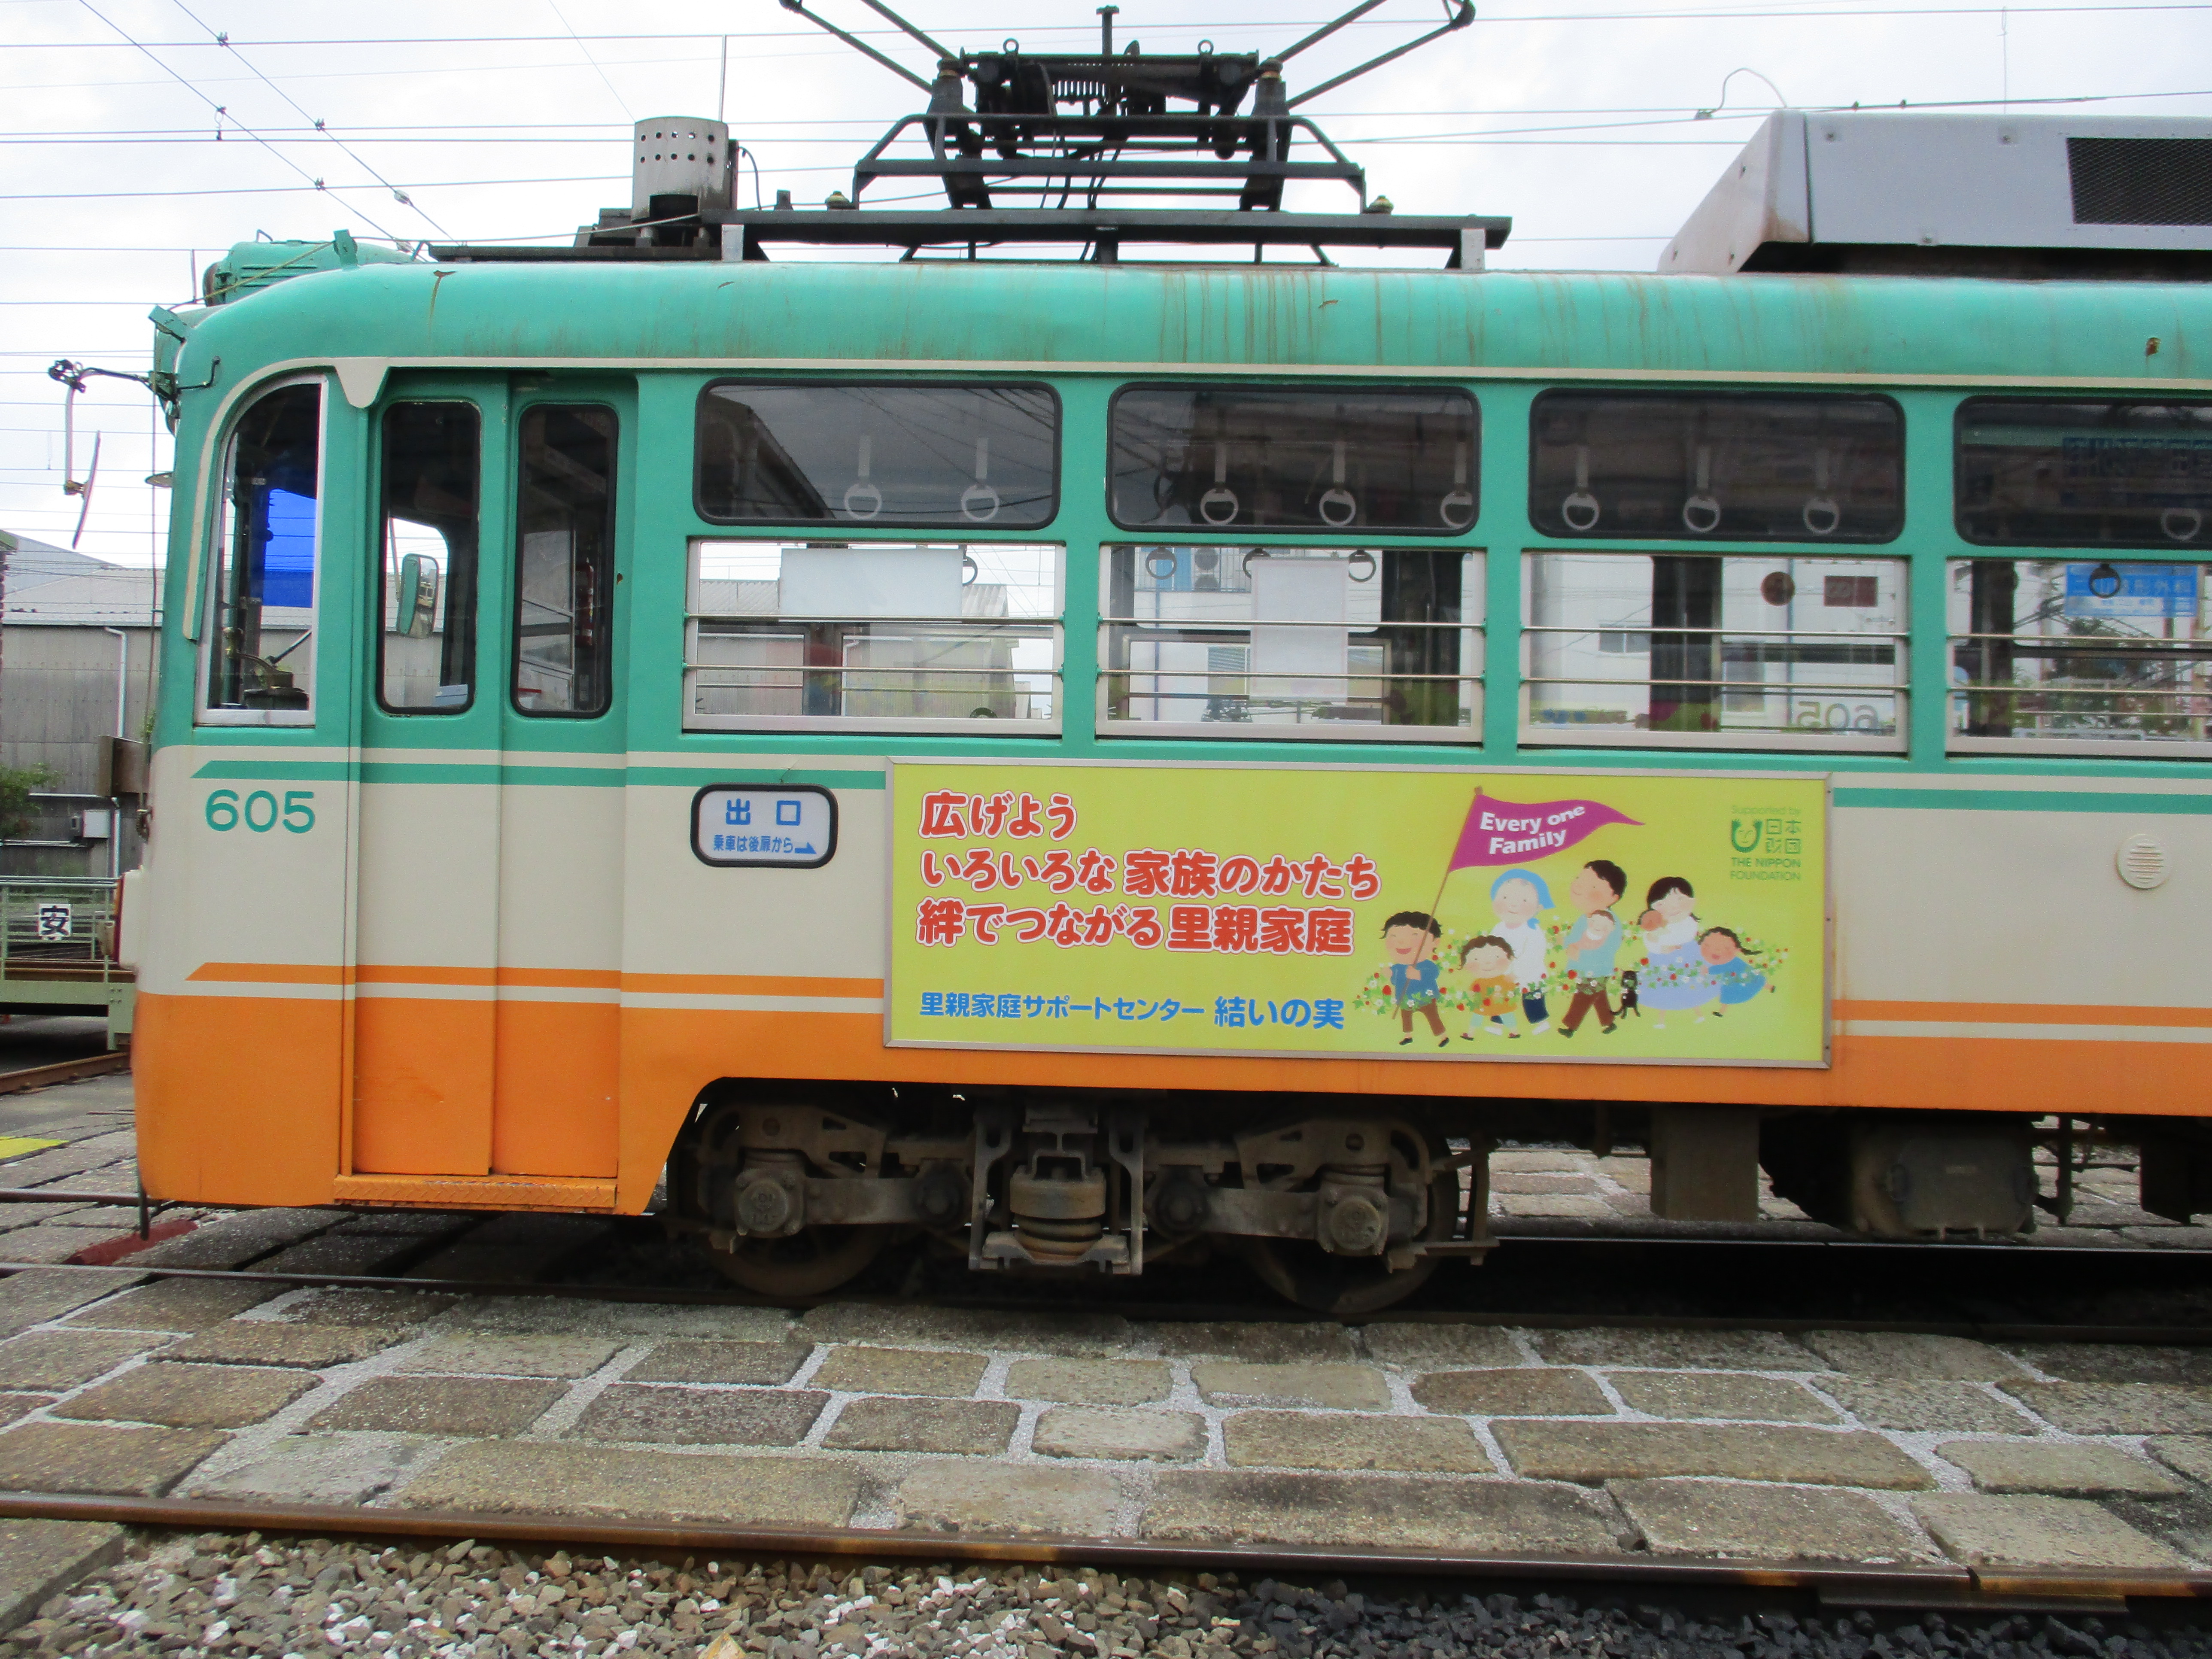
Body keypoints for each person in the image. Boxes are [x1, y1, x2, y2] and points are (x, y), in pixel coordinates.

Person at [1488, 869, 1556, 1036]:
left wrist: (1517, 973)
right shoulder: (1498, 928)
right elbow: (1491, 948)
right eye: (1505, 897)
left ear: (1539, 907)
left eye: (1524, 900)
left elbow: (1533, 956)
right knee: (1501, 997)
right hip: (1504, 974)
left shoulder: (1533, 931)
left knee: (1533, 998)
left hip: (1530, 974)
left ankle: (1540, 1022)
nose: (1513, 905)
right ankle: (1497, 1024)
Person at [1635, 875, 1708, 1029]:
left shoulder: (1689, 923)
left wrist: (1667, 942)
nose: (1673, 908)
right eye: (1662, 904)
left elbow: (1686, 936)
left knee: (1690, 988)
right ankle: (1661, 1020)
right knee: (1664, 990)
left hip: (1687, 958)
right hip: (1663, 963)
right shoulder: (1656, 926)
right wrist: (1660, 945)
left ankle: (1699, 1014)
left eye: (1680, 899)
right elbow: (1650, 942)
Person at [1377, 910, 1449, 1047]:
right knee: (1406, 1017)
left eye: (1414, 936)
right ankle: (1408, 1036)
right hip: (1406, 998)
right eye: (1394, 936)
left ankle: (1443, 1036)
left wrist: (1418, 975)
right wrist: (1390, 974)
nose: (1402, 942)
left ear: (1435, 942)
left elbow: (1433, 974)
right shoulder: (1399, 967)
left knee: (1432, 1017)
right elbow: (1396, 980)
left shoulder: (1427, 965)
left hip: (1425, 997)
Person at [1458, 934, 1522, 1039]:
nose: (1487, 963)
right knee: (1477, 1016)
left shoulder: (1503, 979)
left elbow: (1511, 987)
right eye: (1476, 959)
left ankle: (1514, 1032)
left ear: (1509, 958)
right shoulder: (1479, 982)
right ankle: (1471, 1034)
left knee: (1507, 1014)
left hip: (1500, 1003)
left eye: (1497, 957)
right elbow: (1474, 991)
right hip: (1484, 1003)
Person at [1695, 926, 1767, 1017]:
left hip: (1734, 982)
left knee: (1728, 995)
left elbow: (1719, 968)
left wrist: (1707, 971)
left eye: (1726, 948)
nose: (1717, 951)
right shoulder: (1733, 960)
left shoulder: (1729, 961)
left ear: (1736, 950)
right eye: (1709, 946)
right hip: (1737, 978)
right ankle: (1770, 987)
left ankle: (1722, 1012)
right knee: (1757, 978)